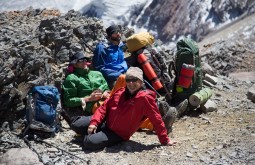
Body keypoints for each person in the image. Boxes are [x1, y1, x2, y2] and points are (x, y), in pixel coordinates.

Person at [71, 67, 177, 151]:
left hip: (118, 133)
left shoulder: (145, 98)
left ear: (141, 82)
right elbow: (104, 108)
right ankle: (93, 130)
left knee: (89, 143)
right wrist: (94, 122)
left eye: (134, 80)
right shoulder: (120, 92)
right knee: (75, 124)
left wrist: (165, 140)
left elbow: (156, 119)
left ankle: (88, 136)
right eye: (128, 80)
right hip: (106, 122)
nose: (131, 83)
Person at [62, 51, 110, 119]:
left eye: (85, 59)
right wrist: (89, 99)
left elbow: (106, 87)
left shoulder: (97, 73)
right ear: (75, 64)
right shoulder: (72, 78)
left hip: (107, 98)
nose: (84, 62)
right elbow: (68, 101)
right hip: (94, 105)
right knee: (113, 109)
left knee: (122, 78)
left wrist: (105, 92)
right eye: (81, 60)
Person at [92, 24, 128, 89]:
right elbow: (99, 68)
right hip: (112, 78)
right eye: (115, 33)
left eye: (119, 32)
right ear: (110, 35)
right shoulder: (102, 48)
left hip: (124, 72)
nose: (118, 34)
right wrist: (118, 75)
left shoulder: (120, 45)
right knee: (124, 89)